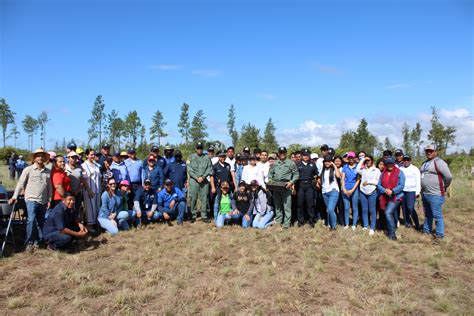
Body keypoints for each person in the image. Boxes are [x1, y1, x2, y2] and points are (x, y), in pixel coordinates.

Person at [9, 148, 52, 252]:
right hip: (31, 199)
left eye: (42, 156)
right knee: (31, 220)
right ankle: (29, 242)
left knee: (41, 222)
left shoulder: (47, 171)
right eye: (38, 156)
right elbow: (20, 184)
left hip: (43, 200)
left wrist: (49, 199)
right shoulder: (28, 169)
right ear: (34, 158)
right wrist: (15, 196)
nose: (40, 157)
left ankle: (38, 242)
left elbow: (49, 187)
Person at [420, 144, 452, 239]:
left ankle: (439, 234)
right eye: (427, 151)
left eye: (431, 151)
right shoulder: (425, 163)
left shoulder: (439, 162)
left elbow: (448, 176)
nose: (429, 152)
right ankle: (426, 231)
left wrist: (444, 186)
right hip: (425, 193)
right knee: (427, 214)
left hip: (436, 194)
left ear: (435, 152)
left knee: (437, 215)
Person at [268, 146, 299, 229]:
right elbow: (270, 174)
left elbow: (296, 174)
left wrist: (291, 182)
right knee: (278, 205)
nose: (282, 154)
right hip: (276, 186)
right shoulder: (275, 163)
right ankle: (278, 221)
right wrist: (270, 181)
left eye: (283, 152)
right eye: (280, 152)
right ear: (278, 153)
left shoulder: (291, 163)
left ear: (286, 153)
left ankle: (286, 224)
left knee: (287, 206)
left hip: (286, 186)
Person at [377, 157, 405, 240]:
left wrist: (392, 191)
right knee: (390, 214)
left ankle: (392, 234)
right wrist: (384, 190)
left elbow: (401, 185)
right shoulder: (383, 173)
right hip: (385, 196)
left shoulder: (400, 172)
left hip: (396, 197)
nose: (389, 165)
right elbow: (378, 185)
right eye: (388, 163)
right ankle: (392, 229)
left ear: (394, 164)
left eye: (391, 163)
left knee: (388, 213)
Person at [187, 141, 213, 223]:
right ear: (195, 148)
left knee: (204, 198)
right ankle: (193, 215)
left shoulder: (207, 157)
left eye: (201, 148)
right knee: (193, 198)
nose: (199, 149)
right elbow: (189, 169)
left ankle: (204, 216)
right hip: (194, 180)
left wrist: (203, 176)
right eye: (198, 148)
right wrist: (196, 177)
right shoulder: (190, 157)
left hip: (204, 180)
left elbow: (209, 168)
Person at [357, 155, 381, 236]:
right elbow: (357, 169)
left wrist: (369, 181)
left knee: (372, 210)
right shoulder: (363, 169)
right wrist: (363, 159)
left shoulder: (376, 170)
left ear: (372, 161)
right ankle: (366, 225)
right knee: (364, 210)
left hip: (372, 192)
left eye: (369, 160)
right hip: (363, 191)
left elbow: (378, 182)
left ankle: (372, 227)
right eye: (366, 161)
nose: (368, 162)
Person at [295, 148, 318, 228]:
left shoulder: (312, 164)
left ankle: (311, 221)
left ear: (309, 156)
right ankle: (300, 221)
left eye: (307, 155)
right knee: (300, 204)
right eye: (304, 155)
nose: (305, 156)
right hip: (300, 185)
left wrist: (315, 181)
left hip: (309, 186)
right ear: (301, 156)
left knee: (310, 204)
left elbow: (316, 174)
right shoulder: (297, 164)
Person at [318, 155, 341, 230]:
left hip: (333, 191)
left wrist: (334, 165)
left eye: (329, 161)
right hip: (324, 192)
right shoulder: (323, 170)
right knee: (329, 209)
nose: (327, 163)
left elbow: (338, 175)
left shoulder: (334, 169)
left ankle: (334, 226)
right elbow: (319, 178)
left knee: (330, 209)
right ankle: (330, 224)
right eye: (326, 161)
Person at [81, 148, 102, 232]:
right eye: (91, 154)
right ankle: (89, 226)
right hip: (89, 190)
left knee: (96, 208)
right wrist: (89, 190)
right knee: (90, 208)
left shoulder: (97, 165)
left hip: (97, 190)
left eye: (94, 154)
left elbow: (99, 177)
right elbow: (83, 179)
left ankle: (96, 225)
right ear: (87, 155)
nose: (93, 156)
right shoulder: (84, 165)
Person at [399, 154, 421, 229]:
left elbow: (418, 181)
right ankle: (407, 222)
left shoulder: (415, 169)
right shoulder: (400, 168)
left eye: (407, 160)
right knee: (404, 208)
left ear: (410, 160)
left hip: (411, 191)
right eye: (404, 160)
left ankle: (417, 224)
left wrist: (418, 192)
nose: (406, 161)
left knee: (410, 208)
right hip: (402, 191)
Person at [341, 151, 361, 230]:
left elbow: (358, 180)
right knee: (346, 207)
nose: (351, 159)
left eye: (352, 157)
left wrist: (352, 190)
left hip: (354, 189)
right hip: (345, 189)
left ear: (354, 158)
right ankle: (347, 224)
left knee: (354, 207)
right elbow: (342, 179)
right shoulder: (345, 167)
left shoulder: (357, 167)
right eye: (349, 158)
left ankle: (354, 224)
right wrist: (344, 189)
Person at [65, 151, 85, 219]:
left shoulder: (79, 169)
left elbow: (81, 181)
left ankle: (75, 224)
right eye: (72, 157)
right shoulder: (65, 168)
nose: (74, 159)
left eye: (75, 158)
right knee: (67, 209)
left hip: (78, 193)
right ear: (68, 158)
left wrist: (77, 190)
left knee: (76, 209)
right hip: (68, 193)